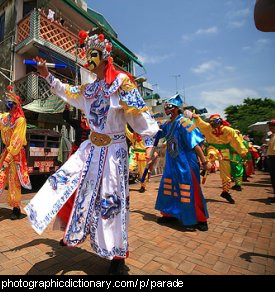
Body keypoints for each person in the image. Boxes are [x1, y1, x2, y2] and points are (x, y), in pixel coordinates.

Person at [24, 29, 159, 275]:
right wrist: (47, 76)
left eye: (94, 53)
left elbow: (140, 115)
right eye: (89, 54)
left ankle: (117, 255)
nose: (90, 59)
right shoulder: (89, 89)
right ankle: (74, 230)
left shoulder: (121, 83)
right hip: (92, 149)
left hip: (114, 152)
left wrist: (150, 144)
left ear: (105, 56)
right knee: (67, 184)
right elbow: (68, 92)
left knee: (111, 201)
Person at [155, 95, 210, 231]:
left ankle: (198, 219)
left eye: (169, 107)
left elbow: (195, 144)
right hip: (172, 163)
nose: (167, 109)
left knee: (190, 189)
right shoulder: (167, 125)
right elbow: (156, 133)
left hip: (186, 162)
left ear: (176, 109)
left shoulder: (185, 122)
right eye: (166, 107)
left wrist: (204, 161)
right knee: (169, 188)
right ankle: (170, 214)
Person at [184, 111, 248, 204]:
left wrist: (242, 151)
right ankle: (206, 168)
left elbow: (237, 140)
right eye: (211, 122)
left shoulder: (228, 130)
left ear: (219, 121)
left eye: (214, 122)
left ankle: (225, 191)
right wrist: (196, 117)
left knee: (226, 172)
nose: (212, 124)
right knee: (211, 154)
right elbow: (201, 123)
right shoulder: (208, 127)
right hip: (213, 147)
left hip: (224, 151)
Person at [56, 104, 90, 245]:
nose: (83, 116)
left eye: (85, 113)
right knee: (70, 194)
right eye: (82, 114)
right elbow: (66, 118)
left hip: (90, 161)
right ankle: (69, 231)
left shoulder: (96, 126)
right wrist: (66, 107)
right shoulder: (78, 124)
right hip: (76, 158)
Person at [0, 86, 32, 219]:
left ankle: (16, 208)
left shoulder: (20, 121)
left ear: (15, 105)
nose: (8, 104)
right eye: (7, 101)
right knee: (0, 177)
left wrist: (9, 157)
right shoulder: (6, 118)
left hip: (15, 155)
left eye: (10, 102)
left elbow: (17, 140)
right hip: (6, 151)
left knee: (14, 181)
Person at [125, 125, 147, 193]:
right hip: (134, 154)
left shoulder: (144, 137)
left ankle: (143, 186)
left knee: (142, 172)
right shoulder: (133, 137)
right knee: (129, 168)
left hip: (142, 155)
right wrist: (124, 123)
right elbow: (127, 132)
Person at [267, 119, 275, 202]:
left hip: (274, 158)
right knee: (273, 178)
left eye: (272, 125)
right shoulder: (272, 135)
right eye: (270, 125)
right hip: (272, 158)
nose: (270, 127)